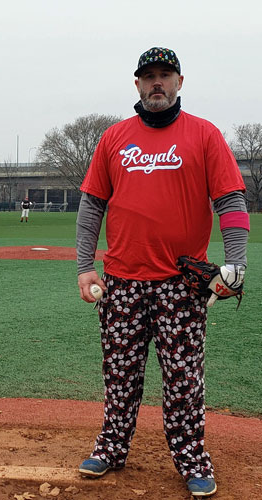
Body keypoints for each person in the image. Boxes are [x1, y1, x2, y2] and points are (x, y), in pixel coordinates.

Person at [76, 47, 249, 498]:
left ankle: (191, 459)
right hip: (122, 283)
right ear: (136, 84)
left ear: (179, 82)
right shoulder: (114, 138)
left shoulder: (205, 135)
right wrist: (84, 266)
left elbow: (230, 199)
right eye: (148, 76)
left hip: (180, 286)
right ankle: (112, 449)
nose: (157, 82)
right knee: (120, 374)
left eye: (164, 75)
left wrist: (236, 262)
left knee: (183, 378)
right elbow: (92, 204)